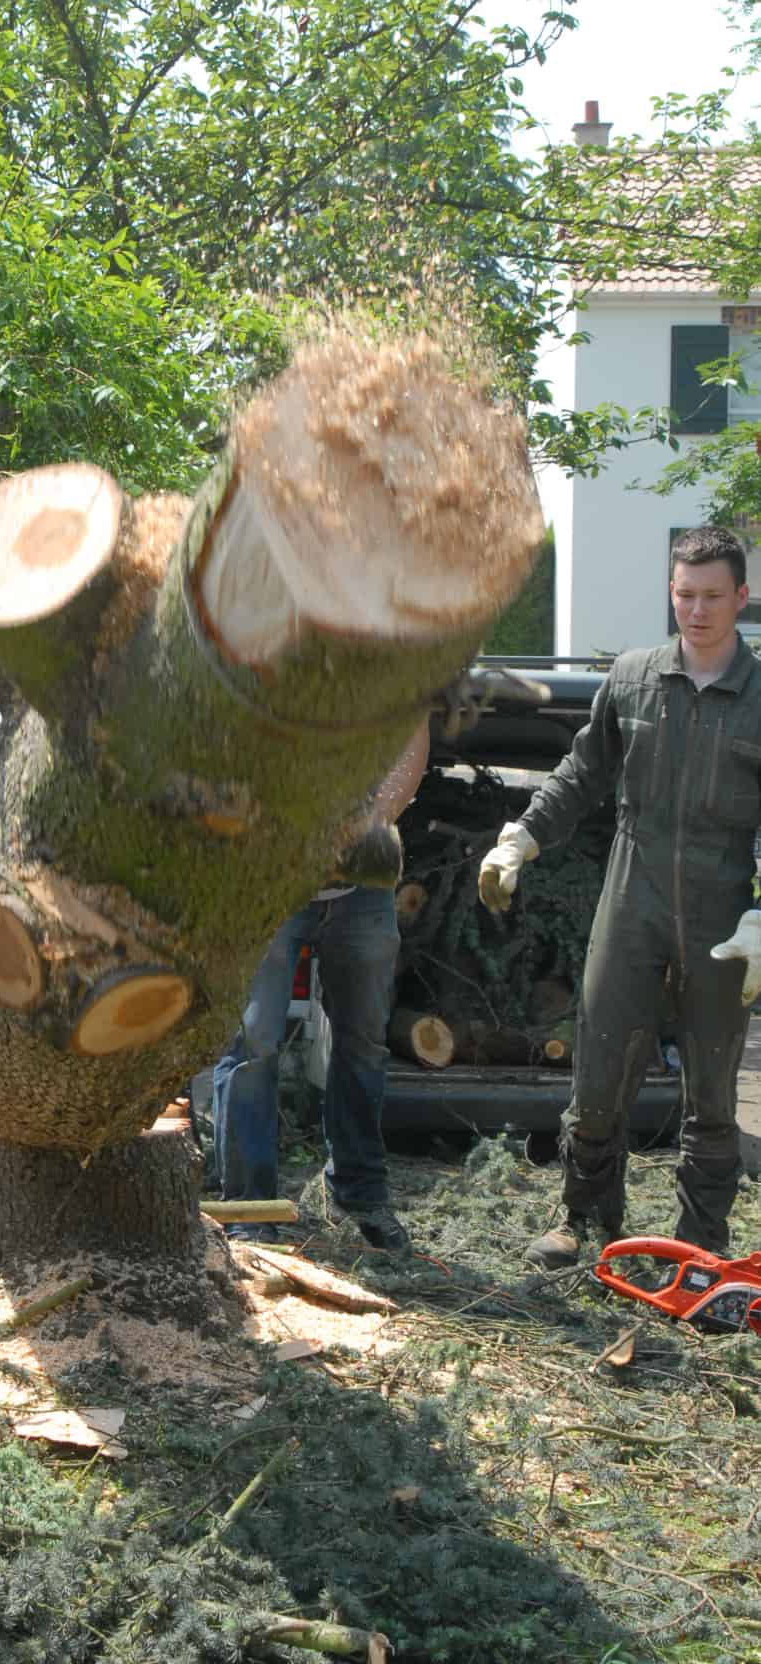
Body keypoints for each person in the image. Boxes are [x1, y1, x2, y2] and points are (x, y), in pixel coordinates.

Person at [479, 525, 761, 1267]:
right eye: (683, 595)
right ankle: (583, 1218)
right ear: (669, 596)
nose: (695, 611)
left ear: (741, 596)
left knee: (710, 1085)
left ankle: (700, 1244)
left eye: (710, 596)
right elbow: (579, 775)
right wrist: (520, 839)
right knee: (599, 1063)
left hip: (723, 909)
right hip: (630, 890)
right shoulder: (632, 679)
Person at [212, 728, 429, 1257]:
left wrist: (373, 818)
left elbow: (411, 732)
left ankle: (362, 1193)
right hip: (264, 877)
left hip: (364, 882)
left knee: (364, 1041)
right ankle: (248, 1208)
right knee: (253, 1042)